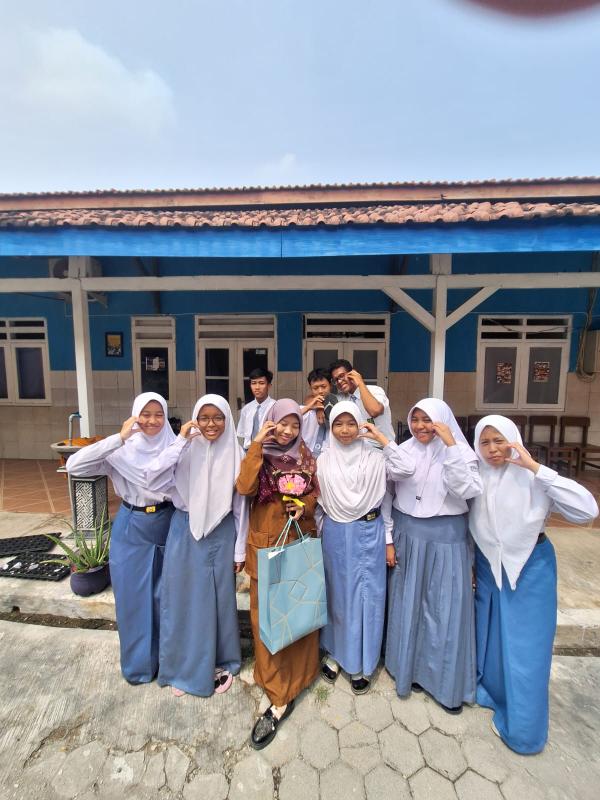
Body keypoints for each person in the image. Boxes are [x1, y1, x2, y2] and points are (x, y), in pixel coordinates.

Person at [470, 415, 598, 754]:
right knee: (493, 638)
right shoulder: (477, 475)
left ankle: (524, 732)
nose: (493, 449)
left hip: (530, 568)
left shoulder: (534, 477)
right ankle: (492, 696)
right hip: (489, 568)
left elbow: (586, 510)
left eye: (499, 440)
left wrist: (537, 469)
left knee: (526, 651)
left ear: (514, 440)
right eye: (485, 442)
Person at [66, 392, 175, 684]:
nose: (152, 421)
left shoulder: (174, 446)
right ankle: (139, 667)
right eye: (145, 414)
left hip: (167, 523)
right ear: (135, 415)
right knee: (131, 599)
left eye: (159, 414)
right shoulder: (120, 452)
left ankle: (167, 665)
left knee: (166, 598)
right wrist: (119, 438)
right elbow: (74, 466)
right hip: (131, 527)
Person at [145, 394, 247, 697]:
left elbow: (241, 507)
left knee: (218, 601)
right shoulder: (184, 449)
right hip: (184, 531)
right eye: (204, 418)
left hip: (221, 533)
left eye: (218, 418)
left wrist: (240, 549)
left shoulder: (237, 453)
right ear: (195, 419)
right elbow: (152, 478)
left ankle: (219, 661)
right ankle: (180, 667)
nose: (211, 424)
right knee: (182, 599)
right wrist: (180, 441)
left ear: (228, 420)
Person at [385, 397, 482, 714]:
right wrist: (388, 537)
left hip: (445, 540)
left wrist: (451, 446)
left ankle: (443, 684)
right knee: (407, 603)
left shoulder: (462, 453)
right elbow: (388, 493)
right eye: (415, 420)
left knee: (443, 609)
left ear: (442, 420)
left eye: (428, 420)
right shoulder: (405, 450)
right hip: (407, 535)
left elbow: (466, 491)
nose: (420, 426)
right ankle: (409, 671)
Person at [236, 399, 320, 750]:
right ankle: (274, 684)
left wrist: (303, 505)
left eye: (295, 425)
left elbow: (315, 493)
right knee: (266, 618)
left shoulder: (305, 455)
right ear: (271, 422)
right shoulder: (259, 453)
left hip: (298, 539)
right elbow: (244, 487)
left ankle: (298, 680)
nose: (288, 431)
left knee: (299, 611)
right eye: (282, 423)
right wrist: (257, 443)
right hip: (266, 543)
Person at [317, 402, 415, 693]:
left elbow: (407, 469)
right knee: (337, 595)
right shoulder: (323, 460)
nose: (345, 430)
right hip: (335, 534)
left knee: (367, 597)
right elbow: (319, 504)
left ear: (361, 424)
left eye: (351, 423)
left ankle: (363, 660)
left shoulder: (376, 458)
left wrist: (382, 438)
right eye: (338, 424)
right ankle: (336, 654)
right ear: (331, 427)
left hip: (369, 532)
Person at [329, 358, 395, 446]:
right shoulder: (341, 399)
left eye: (342, 376)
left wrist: (360, 382)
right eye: (336, 380)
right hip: (359, 448)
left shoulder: (375, 390)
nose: (339, 381)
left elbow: (374, 411)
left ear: (353, 373)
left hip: (382, 447)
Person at [236, 367, 276, 450]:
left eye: (261, 383)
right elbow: (243, 435)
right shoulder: (246, 409)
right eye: (253, 383)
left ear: (269, 386)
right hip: (249, 450)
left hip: (269, 450)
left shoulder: (275, 406)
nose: (257, 387)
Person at [301, 368, 333, 458]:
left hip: (329, 457)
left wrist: (321, 406)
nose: (320, 391)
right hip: (307, 457)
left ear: (330, 385)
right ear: (310, 388)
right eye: (315, 388)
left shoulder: (338, 406)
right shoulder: (305, 410)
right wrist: (317, 406)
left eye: (323, 386)